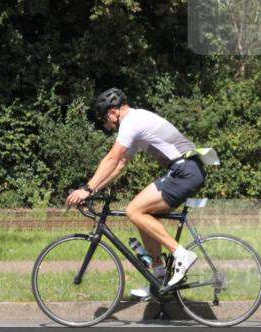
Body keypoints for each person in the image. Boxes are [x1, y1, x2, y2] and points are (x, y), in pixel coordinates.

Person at [66, 88, 205, 298]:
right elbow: (120, 165)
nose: (108, 126)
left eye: (105, 120)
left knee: (134, 210)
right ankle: (158, 280)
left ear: (113, 112)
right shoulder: (137, 119)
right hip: (186, 169)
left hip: (184, 170)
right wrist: (94, 189)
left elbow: (112, 158)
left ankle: (181, 254)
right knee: (142, 216)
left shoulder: (131, 122)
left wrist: (86, 189)